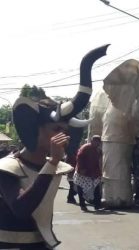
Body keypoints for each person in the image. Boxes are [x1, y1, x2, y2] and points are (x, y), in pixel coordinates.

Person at [0, 44, 107, 249]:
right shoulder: (7, 168)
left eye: (65, 130)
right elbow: (21, 209)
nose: (63, 135)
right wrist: (52, 163)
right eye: (56, 128)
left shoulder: (55, 166)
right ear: (33, 128)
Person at [73, 135, 103, 211]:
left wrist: (99, 172)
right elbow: (79, 158)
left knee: (96, 188)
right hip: (83, 172)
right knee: (81, 188)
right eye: (95, 141)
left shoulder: (98, 150)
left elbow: (98, 162)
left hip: (93, 172)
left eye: (98, 142)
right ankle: (82, 205)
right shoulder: (85, 148)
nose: (97, 143)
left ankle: (97, 205)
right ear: (92, 141)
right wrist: (82, 169)